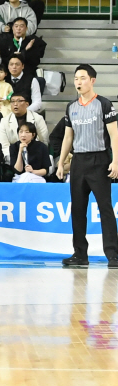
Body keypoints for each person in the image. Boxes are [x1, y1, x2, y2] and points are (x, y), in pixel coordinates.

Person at [58, 65, 118, 267]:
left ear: (92, 80)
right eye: (76, 78)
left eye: (82, 78)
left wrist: (115, 160)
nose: (78, 82)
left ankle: (113, 254)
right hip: (78, 162)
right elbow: (68, 137)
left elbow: (114, 135)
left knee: (105, 208)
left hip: (99, 160)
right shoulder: (71, 107)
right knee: (78, 209)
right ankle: (80, 254)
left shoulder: (104, 104)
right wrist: (60, 162)